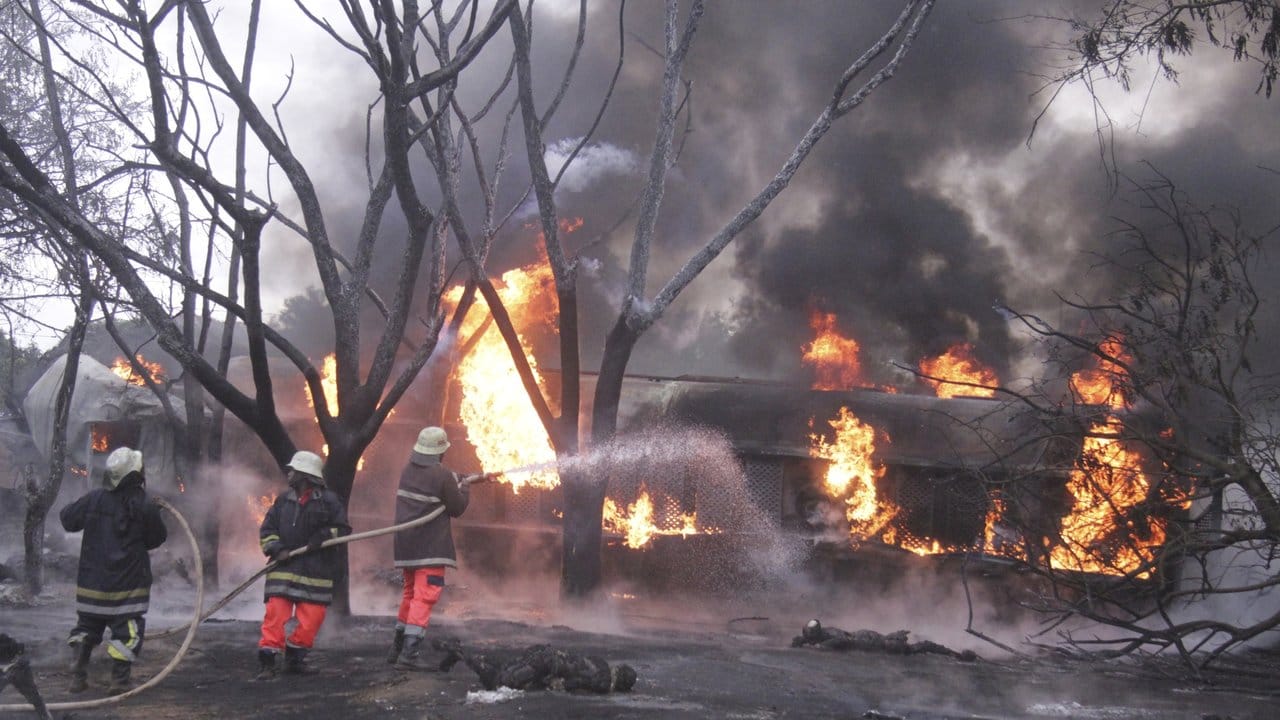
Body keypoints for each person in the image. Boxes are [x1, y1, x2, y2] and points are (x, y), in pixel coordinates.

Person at [59, 446, 168, 695]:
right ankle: (119, 681)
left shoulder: (95, 498)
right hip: (127, 587)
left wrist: (84, 505)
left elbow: (67, 519)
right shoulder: (144, 505)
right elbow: (156, 539)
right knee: (127, 632)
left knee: (86, 628)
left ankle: (78, 670)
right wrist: (153, 514)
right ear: (135, 474)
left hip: (92, 584)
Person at [255, 450, 350, 680]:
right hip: (284, 570)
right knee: (275, 616)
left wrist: (324, 535)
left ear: (306, 475)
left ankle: (295, 659)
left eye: (294, 471)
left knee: (311, 620)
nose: (290, 474)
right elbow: (267, 531)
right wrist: (277, 549)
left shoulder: (329, 501)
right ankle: (268, 662)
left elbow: (343, 528)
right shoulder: (282, 501)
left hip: (316, 570)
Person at [389, 426, 474, 670]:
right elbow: (457, 508)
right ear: (440, 452)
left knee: (410, 595)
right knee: (424, 598)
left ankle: (396, 650)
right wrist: (465, 486)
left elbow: (436, 486)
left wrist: (456, 478)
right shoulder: (443, 476)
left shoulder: (408, 471)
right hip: (430, 549)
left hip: (406, 548)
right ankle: (409, 655)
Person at [434, 639, 638, 694]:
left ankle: (459, 654)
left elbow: (575, 664)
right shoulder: (603, 681)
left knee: (505, 669)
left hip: (545, 656)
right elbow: (578, 681)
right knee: (502, 681)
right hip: (544, 663)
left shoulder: (601, 664)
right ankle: (457, 651)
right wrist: (559, 685)